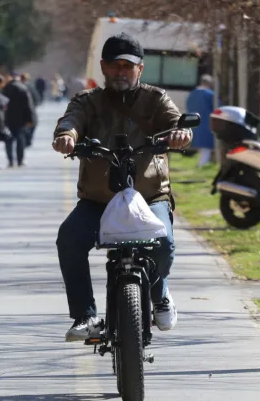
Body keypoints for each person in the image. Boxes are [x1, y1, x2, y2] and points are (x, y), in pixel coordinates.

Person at [51, 32, 192, 341]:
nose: (120, 72)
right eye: (114, 65)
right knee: (69, 239)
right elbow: (71, 120)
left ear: (140, 69)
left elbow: (174, 122)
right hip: (98, 200)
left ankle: (159, 293)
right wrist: (67, 136)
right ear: (103, 67)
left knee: (163, 244)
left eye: (127, 67)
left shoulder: (155, 99)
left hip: (149, 196)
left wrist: (180, 134)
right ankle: (85, 315)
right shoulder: (87, 101)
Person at [2, 73, 35, 167]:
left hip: (8, 117)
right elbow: (28, 105)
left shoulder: (5, 89)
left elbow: (2, 104)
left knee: (9, 140)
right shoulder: (23, 88)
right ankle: (20, 160)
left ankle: (10, 160)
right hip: (21, 118)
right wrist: (30, 119)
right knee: (20, 139)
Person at [186, 74, 217, 167]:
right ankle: (202, 164)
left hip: (195, 122)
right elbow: (217, 107)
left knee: (200, 144)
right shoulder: (210, 94)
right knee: (206, 145)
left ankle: (201, 163)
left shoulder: (192, 94)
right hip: (207, 123)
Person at [19, 73, 42, 147]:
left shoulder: (18, 86)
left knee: (26, 125)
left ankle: (26, 139)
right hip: (30, 109)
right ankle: (28, 139)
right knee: (32, 124)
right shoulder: (30, 87)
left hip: (22, 110)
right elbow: (37, 98)